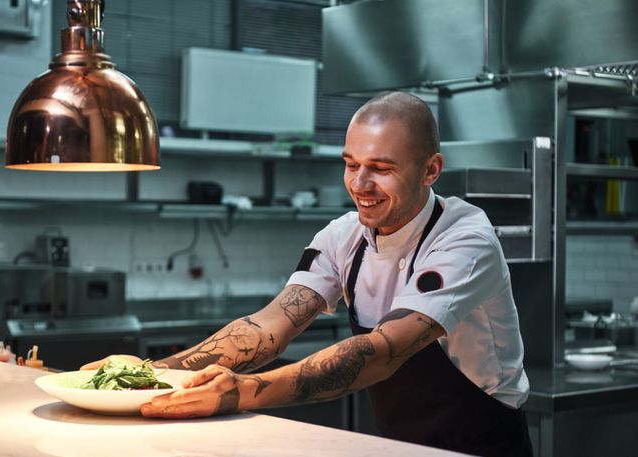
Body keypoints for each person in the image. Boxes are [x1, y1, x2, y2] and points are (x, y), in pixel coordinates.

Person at [83, 92, 532, 456]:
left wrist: (244, 392)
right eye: (351, 163)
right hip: (400, 445)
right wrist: (148, 373)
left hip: (482, 444)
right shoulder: (344, 235)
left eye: (381, 168)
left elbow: (383, 352)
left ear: (431, 169)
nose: (359, 183)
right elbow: (268, 327)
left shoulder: (465, 239)